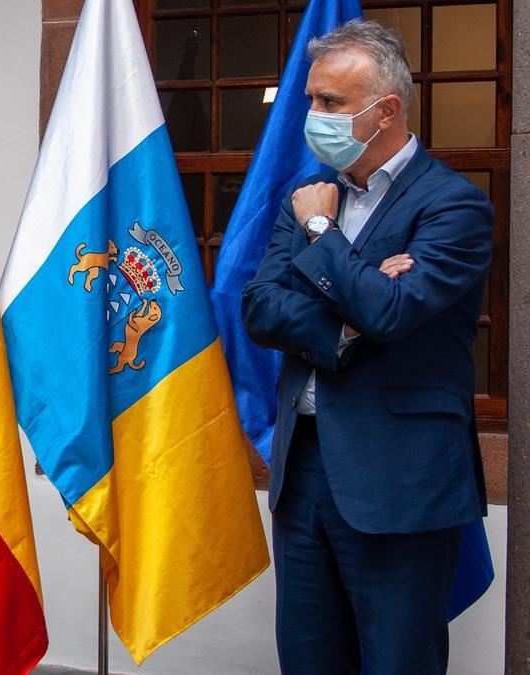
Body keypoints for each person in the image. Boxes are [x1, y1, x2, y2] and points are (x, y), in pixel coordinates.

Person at [242, 20, 492, 674]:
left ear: (386, 111)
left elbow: (394, 309)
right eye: (311, 99)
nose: (313, 115)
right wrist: (347, 320)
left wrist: (323, 235)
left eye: (330, 102)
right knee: (308, 660)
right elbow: (261, 307)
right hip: (305, 478)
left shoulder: (453, 206)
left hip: (400, 480)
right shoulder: (307, 195)